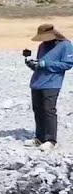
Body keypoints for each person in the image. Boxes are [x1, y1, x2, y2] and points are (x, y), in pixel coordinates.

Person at [25, 24, 73, 152]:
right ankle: (39, 138)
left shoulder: (65, 46)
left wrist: (45, 64)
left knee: (49, 111)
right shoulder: (42, 46)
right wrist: (33, 64)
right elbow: (40, 64)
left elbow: (67, 64)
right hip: (37, 82)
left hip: (52, 83)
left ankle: (51, 140)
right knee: (38, 110)